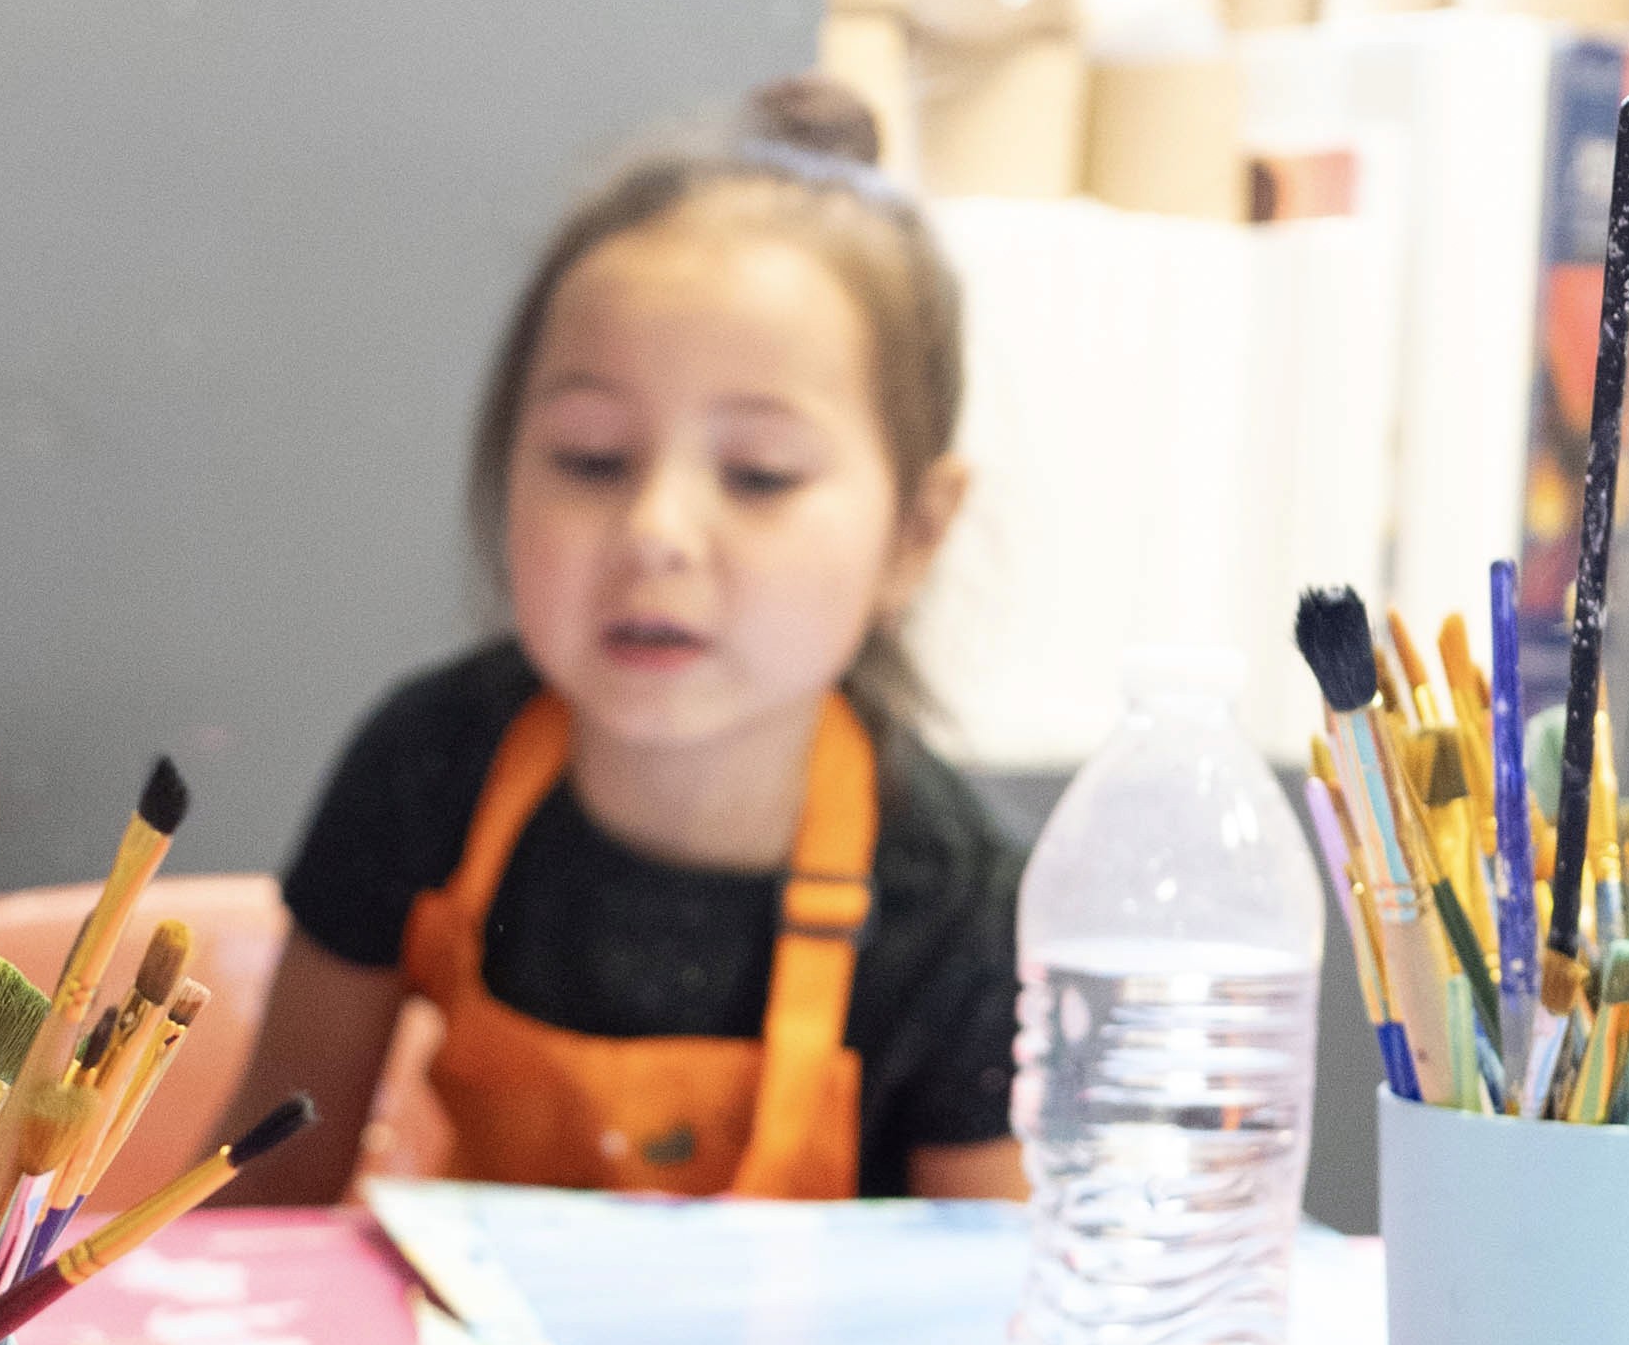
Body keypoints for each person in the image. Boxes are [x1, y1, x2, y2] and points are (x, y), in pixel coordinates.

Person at [225, 77, 1027, 1206]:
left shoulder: (959, 906)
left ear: (914, 533)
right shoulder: (428, 768)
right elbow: (259, 1213)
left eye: (759, 475)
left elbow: (992, 1323)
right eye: (593, 458)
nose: (655, 532)